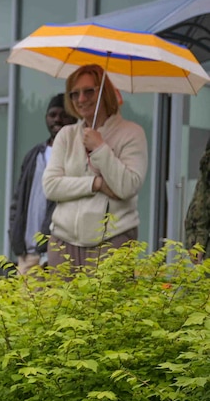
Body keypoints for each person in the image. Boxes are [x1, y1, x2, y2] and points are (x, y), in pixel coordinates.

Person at [43, 64, 147, 269]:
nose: (81, 99)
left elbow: (127, 186)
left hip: (112, 240)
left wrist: (99, 147)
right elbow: (51, 186)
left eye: (89, 91)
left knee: (107, 302)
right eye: (75, 94)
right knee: (59, 302)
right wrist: (96, 184)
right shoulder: (67, 134)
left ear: (104, 92)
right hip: (63, 242)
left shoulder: (132, 133)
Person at [9, 94, 75, 274]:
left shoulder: (75, 156)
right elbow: (17, 201)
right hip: (27, 254)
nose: (57, 119)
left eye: (63, 114)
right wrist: (14, 234)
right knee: (27, 301)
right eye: (52, 114)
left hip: (58, 251)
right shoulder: (34, 155)